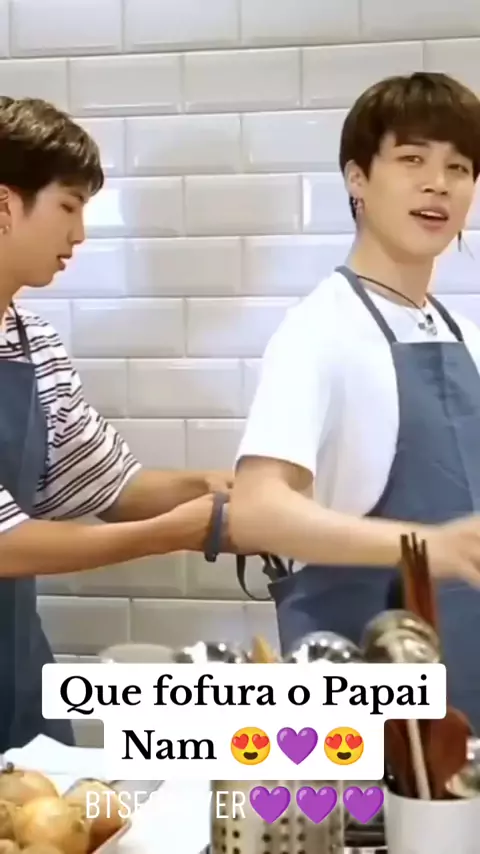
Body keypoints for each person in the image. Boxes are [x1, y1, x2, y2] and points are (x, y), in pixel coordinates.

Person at [229, 71, 480, 732]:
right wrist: (428, 546)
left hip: (463, 711)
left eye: (459, 167)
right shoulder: (318, 332)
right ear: (357, 179)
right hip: (361, 722)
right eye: (412, 159)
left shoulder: (465, 337)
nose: (439, 183)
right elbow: (254, 511)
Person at [0, 96, 233, 753]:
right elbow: (5, 542)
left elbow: (108, 485)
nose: (79, 235)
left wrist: (216, 487)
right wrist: (173, 533)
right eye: (68, 207)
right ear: (5, 205)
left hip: (14, 668)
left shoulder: (33, 341)